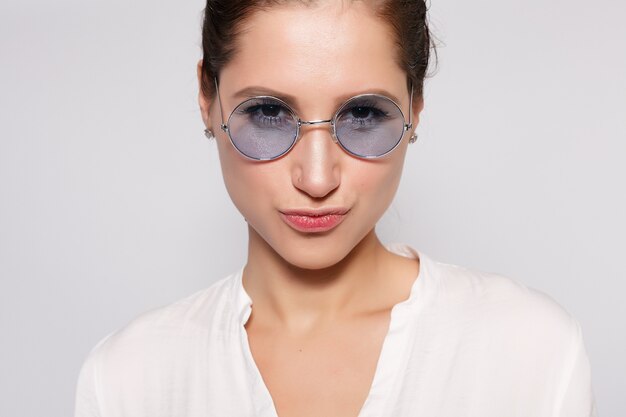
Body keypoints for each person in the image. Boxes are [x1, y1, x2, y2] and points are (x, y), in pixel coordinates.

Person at [74, 1, 597, 416]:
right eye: (268, 112)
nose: (317, 178)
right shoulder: (129, 378)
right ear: (207, 97)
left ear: (415, 107)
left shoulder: (531, 351)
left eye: (365, 113)